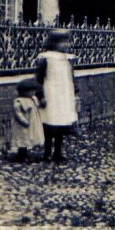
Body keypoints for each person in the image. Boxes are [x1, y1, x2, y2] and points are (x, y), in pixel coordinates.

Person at [35, 30, 78, 163]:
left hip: (63, 94)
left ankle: (58, 152)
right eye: (63, 42)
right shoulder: (46, 58)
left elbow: (71, 77)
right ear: (54, 43)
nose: (66, 45)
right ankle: (47, 152)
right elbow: (39, 78)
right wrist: (40, 95)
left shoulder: (67, 59)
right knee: (49, 123)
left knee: (61, 123)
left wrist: (75, 92)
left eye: (67, 42)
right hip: (51, 94)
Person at [10, 78, 44, 162]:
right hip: (22, 124)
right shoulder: (19, 102)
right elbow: (18, 113)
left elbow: (37, 106)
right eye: (30, 91)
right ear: (23, 92)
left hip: (32, 123)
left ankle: (25, 153)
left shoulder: (33, 99)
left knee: (29, 137)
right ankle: (21, 154)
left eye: (33, 91)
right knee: (22, 138)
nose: (32, 93)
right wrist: (23, 121)